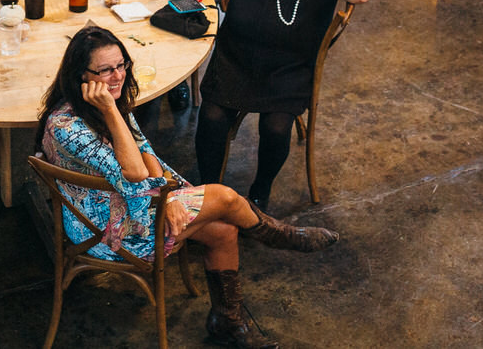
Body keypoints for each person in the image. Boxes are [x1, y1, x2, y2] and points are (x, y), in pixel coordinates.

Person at [40, 25, 336, 349]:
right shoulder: (68, 126)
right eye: (106, 70)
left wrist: (168, 194)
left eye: (121, 65)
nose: (118, 76)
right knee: (223, 196)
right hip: (103, 231)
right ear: (81, 75)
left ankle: (226, 322)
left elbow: (145, 152)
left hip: (131, 202)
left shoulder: (108, 99)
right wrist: (112, 113)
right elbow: (136, 171)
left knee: (224, 231)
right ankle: (279, 235)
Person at [187, 0, 371, 209]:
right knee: (211, 119)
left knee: (275, 128)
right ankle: (208, 193)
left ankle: (259, 193)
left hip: (290, 65)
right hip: (237, 54)